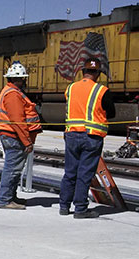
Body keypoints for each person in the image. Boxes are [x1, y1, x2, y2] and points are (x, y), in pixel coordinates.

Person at [60, 57, 115, 218]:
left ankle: (64, 206)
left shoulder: (70, 88)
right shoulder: (102, 91)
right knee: (84, 173)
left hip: (71, 135)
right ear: (97, 74)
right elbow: (111, 113)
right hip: (91, 137)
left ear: (83, 72)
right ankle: (80, 209)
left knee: (70, 172)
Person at [0, 61, 37, 210]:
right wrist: (27, 142)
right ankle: (6, 200)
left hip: (11, 135)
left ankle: (11, 196)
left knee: (15, 168)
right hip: (13, 136)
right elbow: (18, 120)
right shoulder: (12, 94)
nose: (23, 81)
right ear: (15, 79)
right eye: (21, 79)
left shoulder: (10, 91)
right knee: (12, 169)